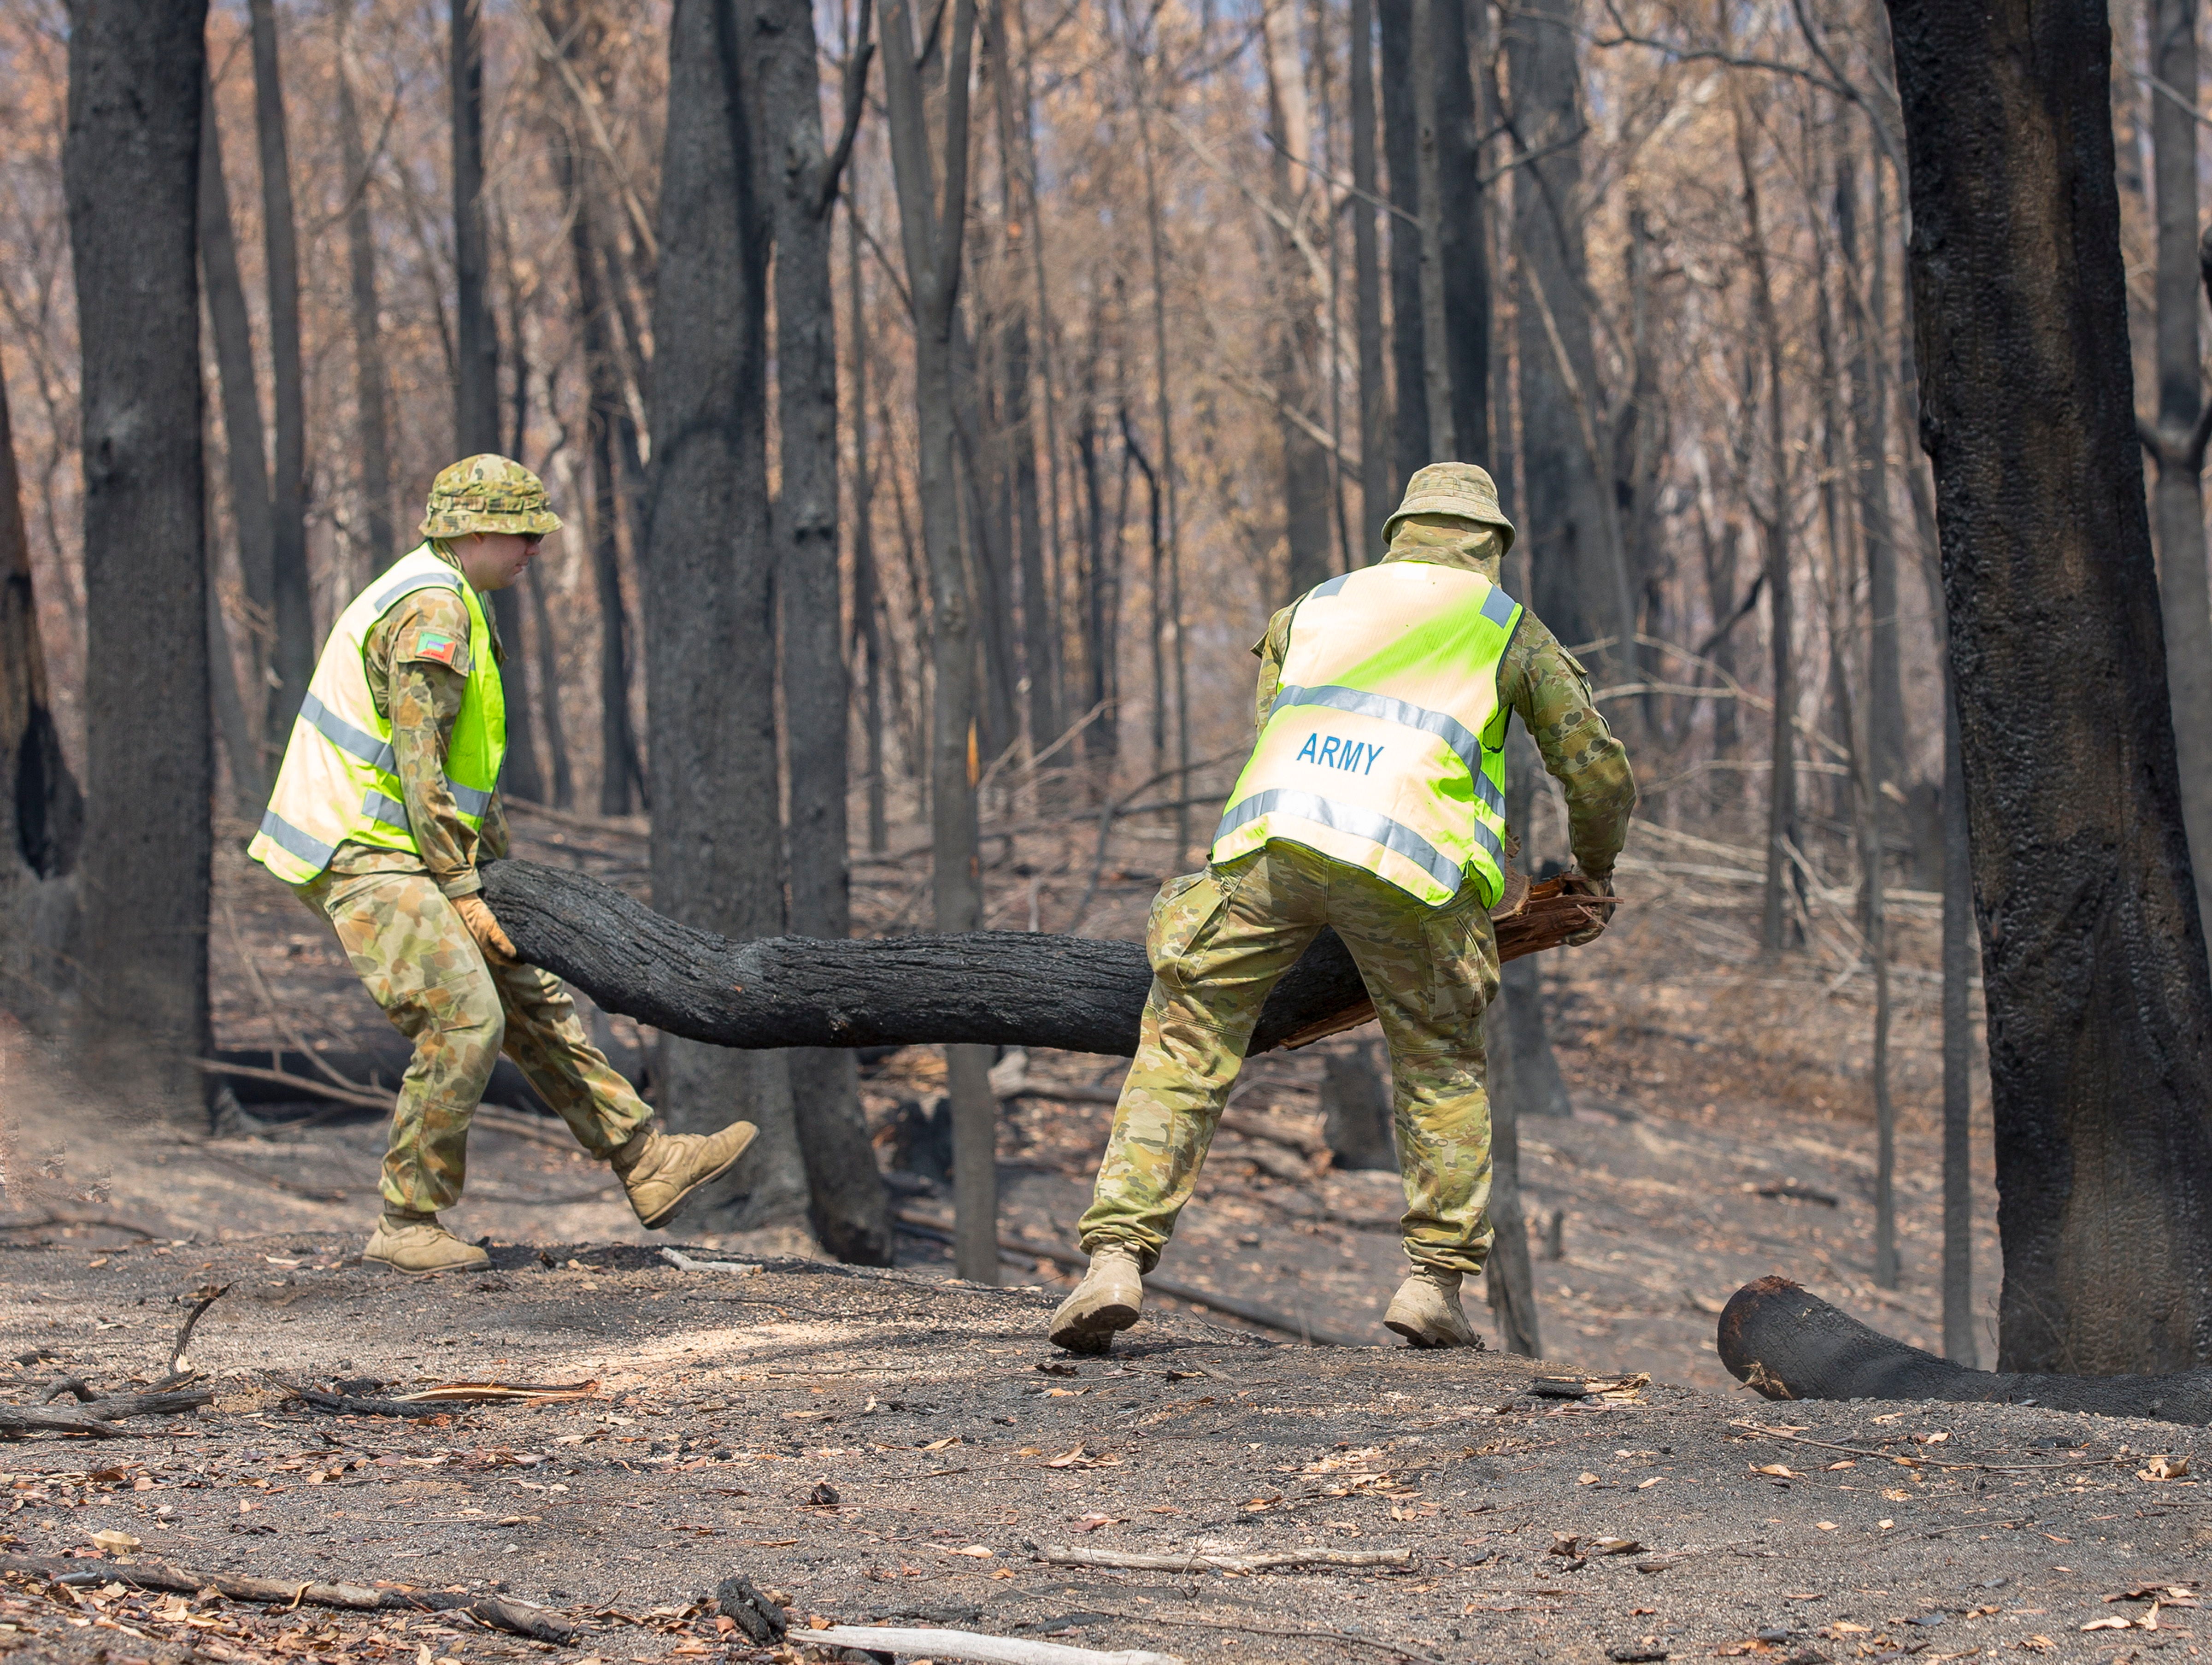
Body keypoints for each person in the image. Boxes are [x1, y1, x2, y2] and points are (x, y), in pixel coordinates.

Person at [1049, 462, 1635, 1352]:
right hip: (1413, 867)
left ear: (1401, 529)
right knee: (1440, 1062)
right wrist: (1591, 869)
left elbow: (1272, 729)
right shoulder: (1508, 628)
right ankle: (1433, 1284)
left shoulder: (1311, 608)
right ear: (1491, 546)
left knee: (1188, 1037)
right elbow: (1595, 770)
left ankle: (1115, 1258)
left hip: (1274, 843)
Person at [248, 455, 755, 1274]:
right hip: (361, 851)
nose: (533, 550)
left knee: (528, 993)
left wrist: (498, 883)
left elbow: (462, 769)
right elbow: (420, 769)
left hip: (411, 852)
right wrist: (463, 887)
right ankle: (408, 1219)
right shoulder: (433, 610)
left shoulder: (456, 598)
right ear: (473, 530)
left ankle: (646, 1160)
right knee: (465, 1018)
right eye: (522, 534)